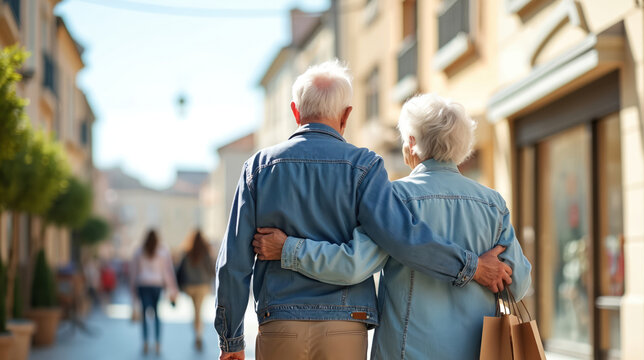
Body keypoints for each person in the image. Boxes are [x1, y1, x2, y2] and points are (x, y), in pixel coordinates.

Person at [215, 61, 513, 360]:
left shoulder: (258, 168)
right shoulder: (364, 166)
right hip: (345, 325)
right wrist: (470, 266)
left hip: (279, 321)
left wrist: (231, 339)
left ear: (296, 112)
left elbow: (234, 261)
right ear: (346, 115)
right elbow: (403, 237)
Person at [129, 229, 178, 355]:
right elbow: (167, 271)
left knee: (144, 314)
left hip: (143, 284)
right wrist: (172, 288)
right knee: (157, 314)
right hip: (157, 285)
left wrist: (132, 289)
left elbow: (134, 272)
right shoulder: (163, 250)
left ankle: (145, 342)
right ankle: (157, 343)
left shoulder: (139, 251)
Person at [176, 230, 213, 351]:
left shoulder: (187, 252)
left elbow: (180, 270)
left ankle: (197, 334)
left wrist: (180, 285)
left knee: (195, 311)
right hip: (203, 286)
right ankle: (198, 334)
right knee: (199, 311)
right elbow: (212, 269)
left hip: (190, 286)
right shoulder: (205, 252)